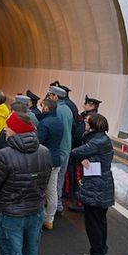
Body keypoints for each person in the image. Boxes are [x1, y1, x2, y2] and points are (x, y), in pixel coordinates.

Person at [0, 111, 52, 255]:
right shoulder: (45, 151)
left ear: (16, 130)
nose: (4, 129)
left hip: (11, 213)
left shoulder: (4, 155)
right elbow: (45, 181)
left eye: (8, 127)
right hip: (36, 211)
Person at [71, 113, 114, 255]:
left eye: (87, 122)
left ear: (94, 125)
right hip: (101, 185)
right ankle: (99, 252)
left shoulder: (97, 141)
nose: (85, 123)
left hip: (97, 186)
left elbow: (76, 152)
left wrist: (81, 157)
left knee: (94, 223)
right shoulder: (100, 138)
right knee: (100, 222)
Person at [69, 96, 103, 213]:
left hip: (84, 154)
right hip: (82, 151)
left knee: (83, 178)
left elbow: (83, 137)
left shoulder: (92, 119)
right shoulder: (87, 116)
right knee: (81, 177)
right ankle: (81, 200)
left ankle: (82, 202)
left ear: (92, 106)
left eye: (87, 103)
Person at [36, 98, 64, 230]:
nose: (41, 108)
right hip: (56, 159)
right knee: (52, 191)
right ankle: (49, 220)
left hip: (44, 160)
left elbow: (39, 142)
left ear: (46, 108)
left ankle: (39, 219)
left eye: (42, 106)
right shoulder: (59, 122)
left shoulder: (44, 122)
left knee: (40, 190)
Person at [49, 85, 73, 214]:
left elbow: (57, 130)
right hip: (66, 147)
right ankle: (58, 204)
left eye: (51, 95)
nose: (49, 97)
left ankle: (56, 205)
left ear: (56, 97)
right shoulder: (67, 109)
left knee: (54, 179)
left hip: (59, 148)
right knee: (60, 177)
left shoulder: (58, 110)